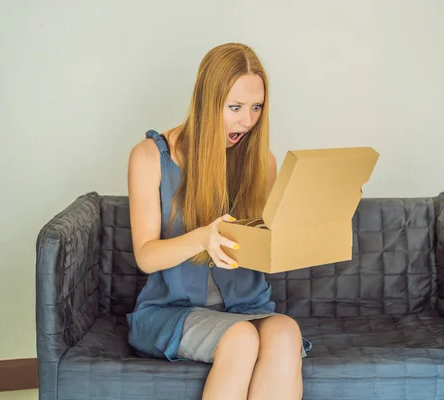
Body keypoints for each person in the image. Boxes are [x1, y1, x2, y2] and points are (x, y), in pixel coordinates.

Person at [126, 43, 312, 399]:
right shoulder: (150, 156)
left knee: (285, 331)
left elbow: (268, 247)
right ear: (206, 102)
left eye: (256, 107)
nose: (247, 120)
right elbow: (146, 256)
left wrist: (317, 211)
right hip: (170, 312)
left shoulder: (262, 163)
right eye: (236, 107)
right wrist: (202, 238)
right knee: (241, 338)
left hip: (246, 306)